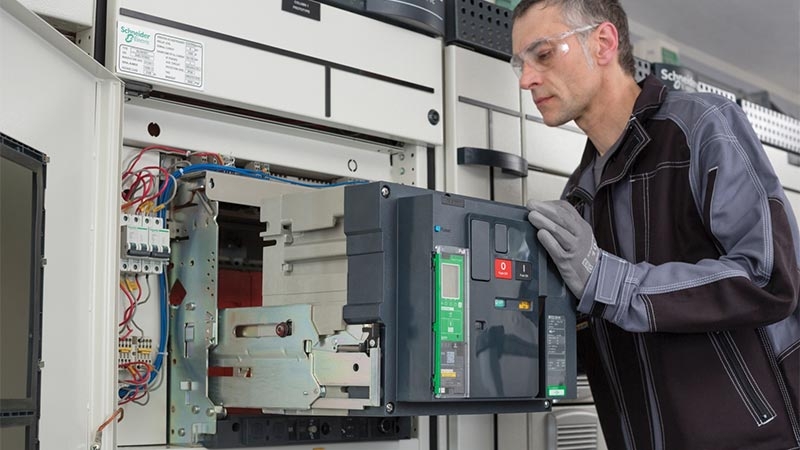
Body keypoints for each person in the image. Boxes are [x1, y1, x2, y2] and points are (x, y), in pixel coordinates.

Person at [510, 1, 800, 449]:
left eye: (543, 54)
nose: (527, 79)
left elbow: (767, 276)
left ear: (603, 43)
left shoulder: (703, 126)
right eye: (520, 65)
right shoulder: (579, 197)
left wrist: (611, 281)